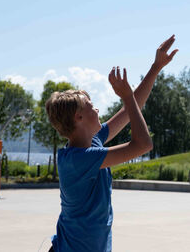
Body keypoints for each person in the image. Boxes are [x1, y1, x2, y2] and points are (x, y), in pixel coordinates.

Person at [46, 36, 177, 252]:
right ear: (78, 117)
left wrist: (156, 67)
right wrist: (126, 97)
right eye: (91, 106)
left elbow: (129, 111)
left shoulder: (90, 143)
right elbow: (143, 144)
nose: (97, 109)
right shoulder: (78, 160)